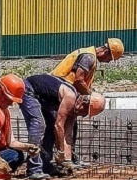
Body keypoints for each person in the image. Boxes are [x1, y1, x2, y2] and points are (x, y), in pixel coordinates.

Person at [50, 38, 123, 167]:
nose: (107, 61)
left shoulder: (90, 56)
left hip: (65, 91)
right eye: (110, 59)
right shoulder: (89, 57)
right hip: (58, 90)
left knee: (70, 127)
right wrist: (91, 95)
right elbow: (78, 80)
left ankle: (68, 158)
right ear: (106, 52)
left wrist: (89, 91)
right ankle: (59, 159)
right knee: (59, 126)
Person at [20, 74, 106, 179]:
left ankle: (45, 165)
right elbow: (59, 125)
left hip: (42, 98)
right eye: (85, 112)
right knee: (38, 125)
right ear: (82, 103)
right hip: (28, 89)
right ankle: (33, 169)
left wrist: (67, 160)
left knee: (50, 127)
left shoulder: (74, 108)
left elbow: (67, 134)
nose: (83, 115)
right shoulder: (70, 98)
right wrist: (60, 151)